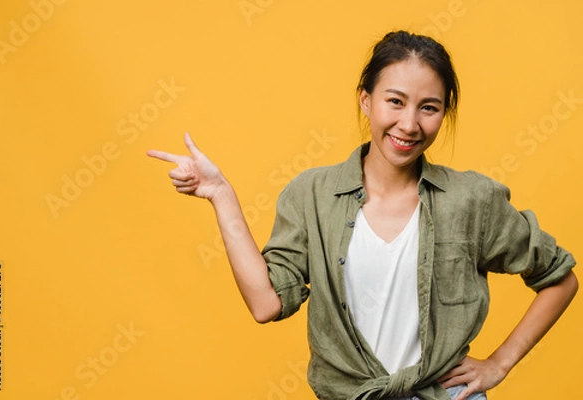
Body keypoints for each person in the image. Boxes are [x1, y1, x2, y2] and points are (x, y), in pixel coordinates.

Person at [147, 31, 578, 400]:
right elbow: (265, 303)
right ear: (366, 100)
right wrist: (221, 195)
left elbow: (560, 277)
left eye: (428, 107)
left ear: (443, 113)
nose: (409, 124)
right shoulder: (311, 194)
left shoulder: (471, 199)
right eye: (395, 101)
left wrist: (500, 363)